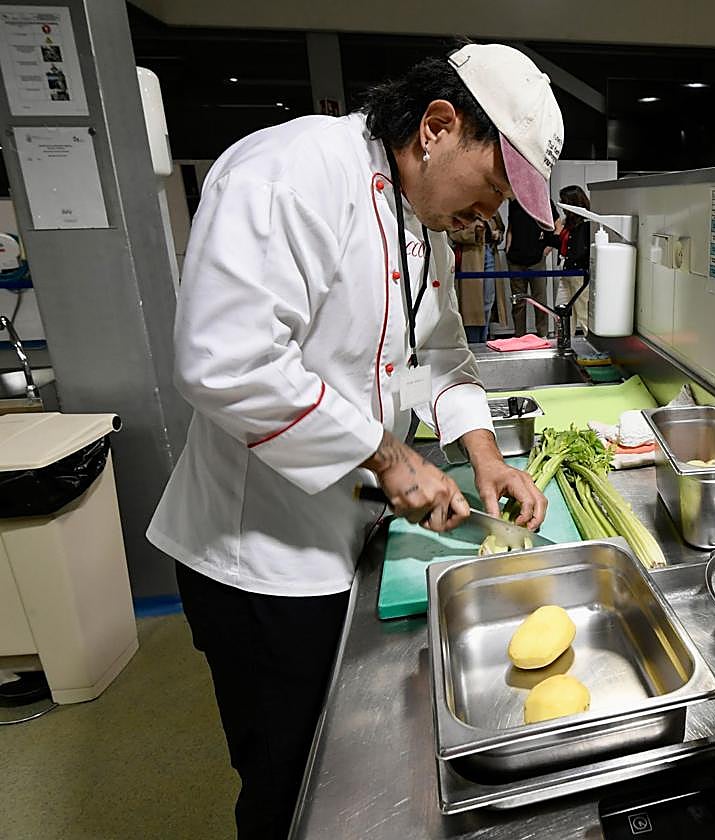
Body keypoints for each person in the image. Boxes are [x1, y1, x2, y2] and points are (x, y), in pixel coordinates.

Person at [147, 43, 561, 838]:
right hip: (259, 560)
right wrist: (389, 457)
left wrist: (484, 455)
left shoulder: (422, 224)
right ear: (437, 127)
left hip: (350, 535)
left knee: (341, 776)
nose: (489, 213)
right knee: (288, 785)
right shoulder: (290, 173)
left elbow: (442, 355)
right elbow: (225, 361)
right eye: (493, 184)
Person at [451, 214, 504, 342]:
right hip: (471, 257)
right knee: (472, 307)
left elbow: (500, 228)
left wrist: (498, 235)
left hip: (490, 253)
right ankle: (474, 342)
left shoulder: (490, 208)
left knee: (488, 301)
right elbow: (452, 233)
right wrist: (474, 232)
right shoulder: (462, 208)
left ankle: (484, 339)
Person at [504, 197, 552, 337]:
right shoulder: (514, 203)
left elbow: (555, 225)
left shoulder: (543, 201)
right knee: (518, 302)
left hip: (536, 259)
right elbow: (511, 227)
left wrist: (547, 249)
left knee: (540, 301)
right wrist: (508, 247)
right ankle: (519, 335)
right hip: (515, 259)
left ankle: (543, 334)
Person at [553, 184, 593, 334]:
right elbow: (562, 244)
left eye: (563, 201)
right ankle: (564, 341)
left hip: (579, 274)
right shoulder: (569, 223)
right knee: (562, 311)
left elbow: (581, 250)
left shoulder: (586, 223)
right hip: (566, 272)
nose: (561, 205)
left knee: (583, 313)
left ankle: (592, 343)